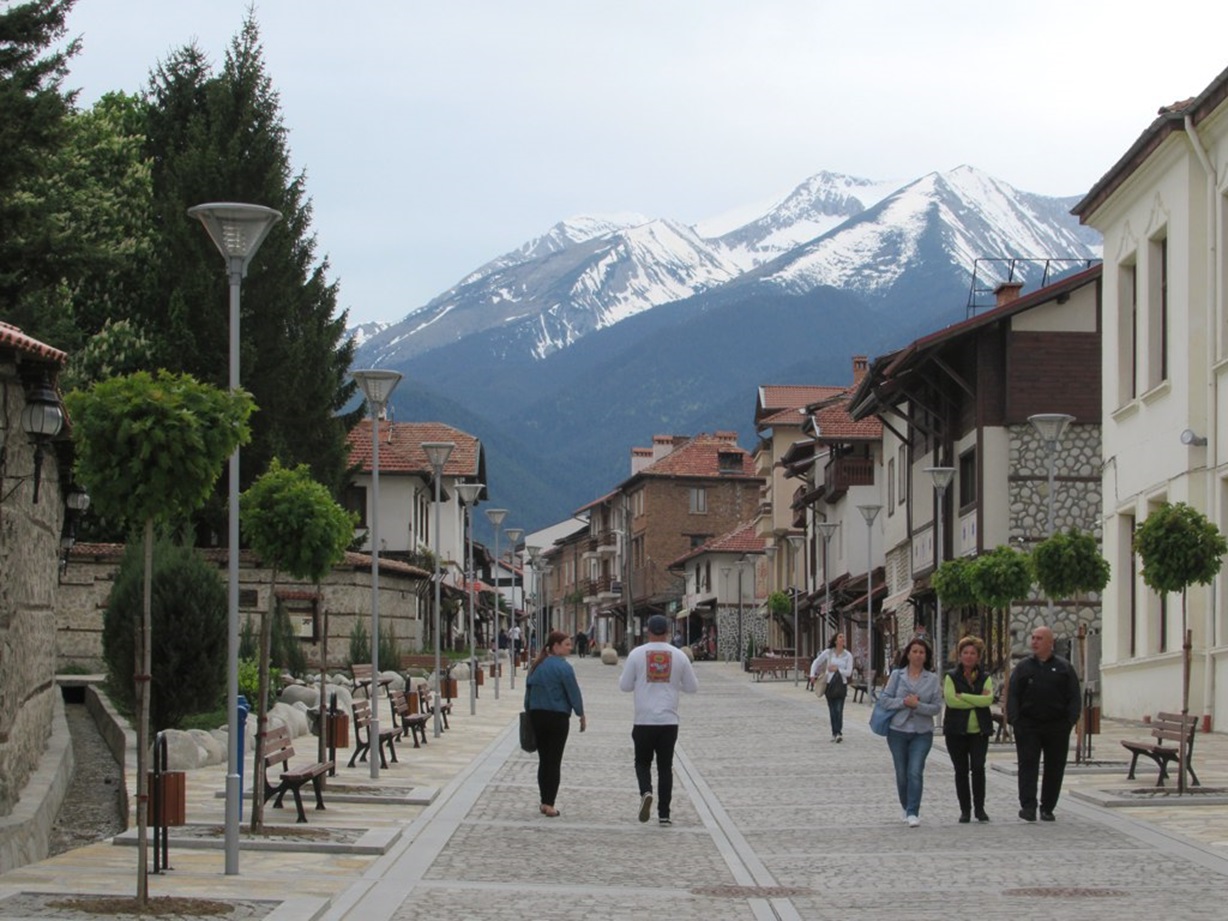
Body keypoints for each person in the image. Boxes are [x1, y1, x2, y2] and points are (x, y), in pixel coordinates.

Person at [618, 613, 698, 826]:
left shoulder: (636, 654)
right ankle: (664, 814)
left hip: (643, 719)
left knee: (642, 762)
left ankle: (646, 791)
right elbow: (692, 687)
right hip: (669, 721)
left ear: (648, 632)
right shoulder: (679, 656)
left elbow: (624, 686)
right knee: (665, 767)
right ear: (668, 632)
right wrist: (673, 685)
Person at [1007, 625, 1081, 822]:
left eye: (1039, 638)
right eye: (1033, 637)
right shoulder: (1023, 667)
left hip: (1057, 726)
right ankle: (1028, 806)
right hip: (1028, 726)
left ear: (1050, 643)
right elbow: (1013, 694)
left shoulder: (1064, 668)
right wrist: (1015, 720)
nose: (1034, 642)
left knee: (1054, 767)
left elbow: (1074, 696)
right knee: (1027, 766)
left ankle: (1047, 807)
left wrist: (1070, 721)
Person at [879, 636, 943, 827]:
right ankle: (905, 806)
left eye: (921, 652)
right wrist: (903, 702)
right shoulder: (897, 676)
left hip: (922, 732)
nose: (917, 655)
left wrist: (918, 706)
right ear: (908, 654)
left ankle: (913, 811)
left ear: (926, 657)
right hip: (897, 730)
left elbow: (936, 707)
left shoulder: (932, 679)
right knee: (901, 772)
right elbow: (884, 699)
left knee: (915, 770)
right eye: (914, 651)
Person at [524, 630, 586, 817]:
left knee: (544, 760)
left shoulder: (536, 665)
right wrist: (580, 714)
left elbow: (528, 693)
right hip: (557, 717)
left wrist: (528, 712)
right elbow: (573, 692)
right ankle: (549, 804)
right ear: (555, 646)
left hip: (537, 716)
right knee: (554, 760)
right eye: (567, 644)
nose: (570, 647)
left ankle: (544, 800)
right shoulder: (563, 667)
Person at [943, 636, 994, 823]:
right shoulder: (951, 676)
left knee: (978, 768)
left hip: (979, 730)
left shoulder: (985, 677)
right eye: (965, 652)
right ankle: (965, 809)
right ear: (960, 655)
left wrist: (964, 695)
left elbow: (988, 700)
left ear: (978, 656)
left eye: (973, 653)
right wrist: (976, 700)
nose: (969, 656)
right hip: (956, 730)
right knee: (961, 770)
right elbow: (951, 701)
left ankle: (980, 809)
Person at [809, 632, 854, 742]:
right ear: (835, 640)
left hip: (841, 684)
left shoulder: (848, 655)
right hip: (829, 684)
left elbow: (849, 672)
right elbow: (816, 662)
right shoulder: (828, 653)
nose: (842, 639)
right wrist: (812, 674)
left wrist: (837, 669)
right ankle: (834, 732)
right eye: (840, 637)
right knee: (832, 709)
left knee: (839, 709)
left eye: (843, 637)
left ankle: (838, 732)